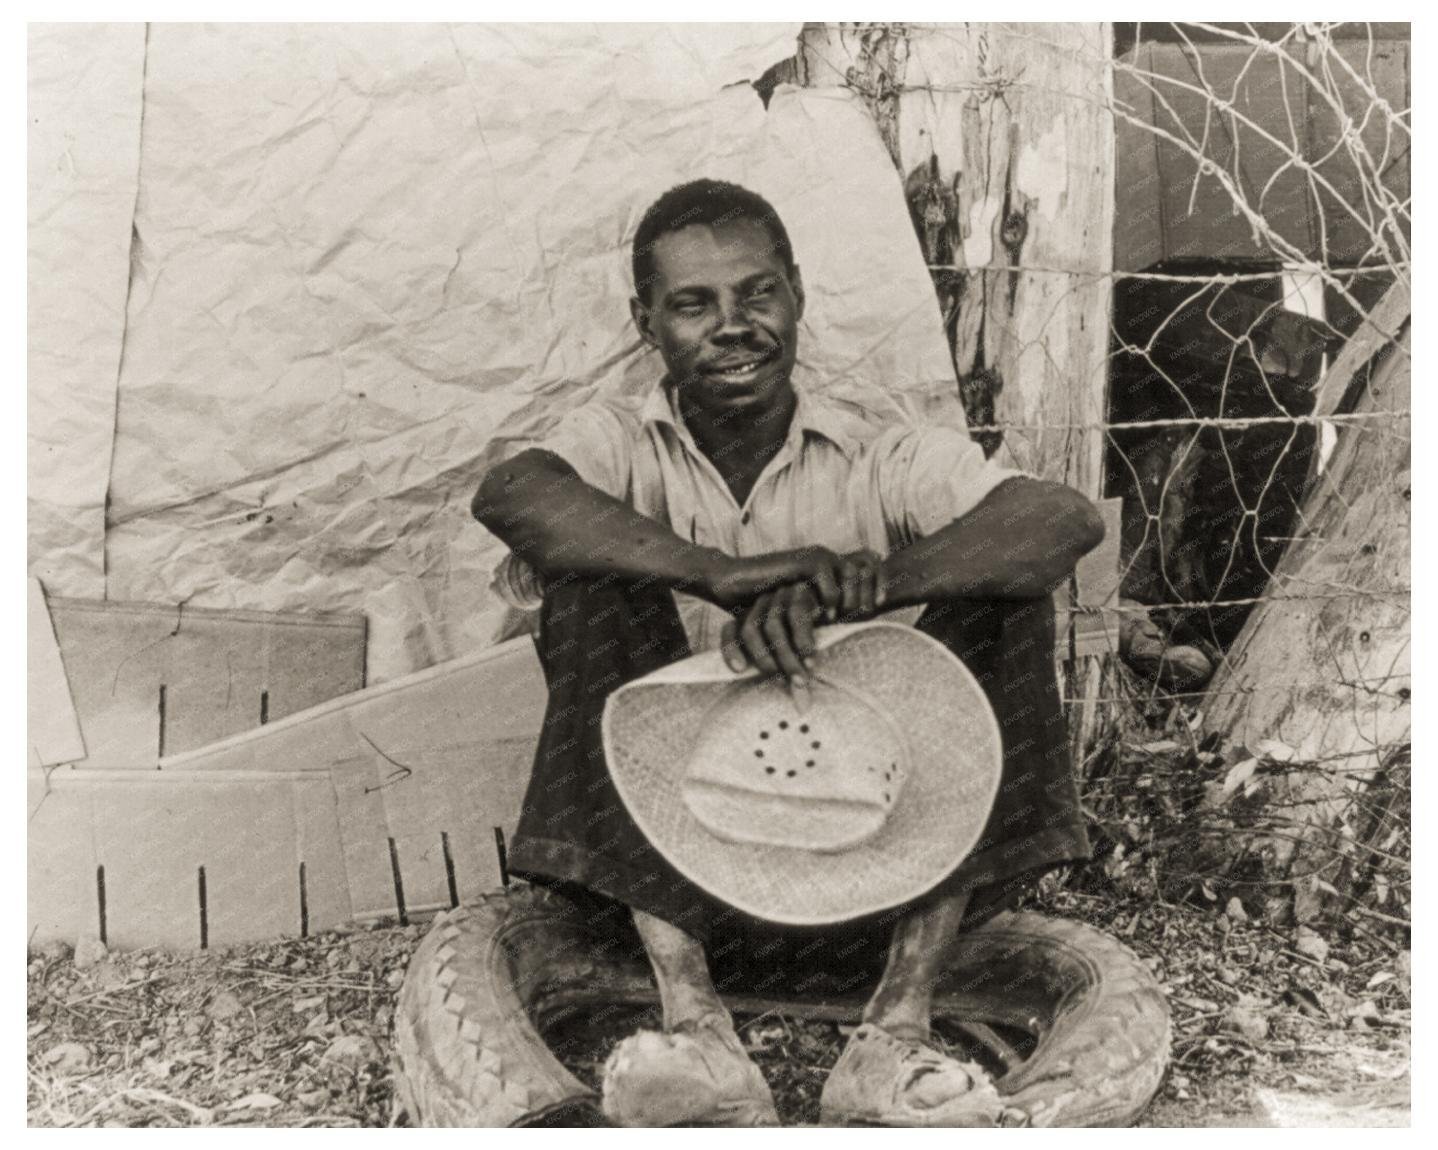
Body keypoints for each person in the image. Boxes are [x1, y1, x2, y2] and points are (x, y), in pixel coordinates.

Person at [472, 178, 1104, 1126]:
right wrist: (717, 574)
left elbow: (1057, 518)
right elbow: (515, 492)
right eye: (693, 303)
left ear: (797, 296)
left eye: (756, 293)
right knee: (592, 584)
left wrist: (865, 582)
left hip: (875, 873)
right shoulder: (616, 442)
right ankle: (697, 1027)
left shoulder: (873, 449)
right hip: (671, 880)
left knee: (1004, 596)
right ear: (646, 322)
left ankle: (896, 1027)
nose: (732, 325)